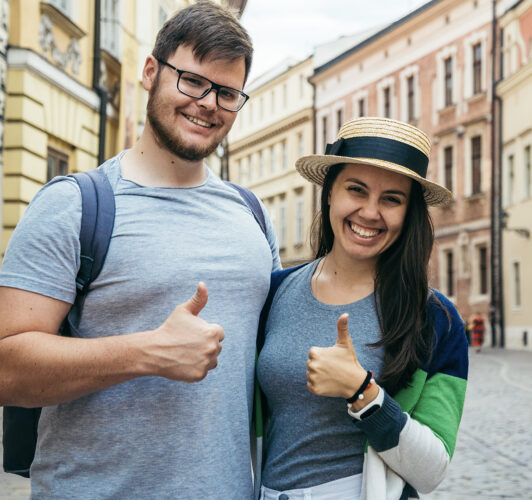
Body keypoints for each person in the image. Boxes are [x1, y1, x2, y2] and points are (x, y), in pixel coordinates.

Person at [0, 2, 280, 497]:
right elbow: (5, 367)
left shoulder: (251, 216)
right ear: (151, 73)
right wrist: (148, 352)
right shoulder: (74, 205)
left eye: (228, 93)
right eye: (192, 81)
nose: (209, 103)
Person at [255, 117, 469, 499]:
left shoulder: (435, 318)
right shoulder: (275, 293)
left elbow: (433, 469)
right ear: (330, 193)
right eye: (357, 190)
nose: (370, 212)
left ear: (409, 214)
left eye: (391, 199)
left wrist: (362, 392)